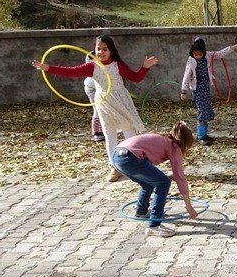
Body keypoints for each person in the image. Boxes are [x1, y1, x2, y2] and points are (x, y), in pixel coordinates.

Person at [33, 35, 157, 180]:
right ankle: (115, 167)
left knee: (129, 132)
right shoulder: (92, 66)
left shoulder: (117, 65)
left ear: (111, 50)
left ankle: (137, 165)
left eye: (105, 49)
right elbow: (71, 72)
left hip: (122, 101)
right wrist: (47, 68)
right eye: (98, 49)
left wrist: (144, 68)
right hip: (104, 103)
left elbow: (135, 78)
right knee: (110, 135)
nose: (101, 52)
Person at [111, 121, 197, 237]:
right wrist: (189, 206)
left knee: (148, 183)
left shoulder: (160, 138)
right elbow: (179, 176)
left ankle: (141, 211)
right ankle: (154, 225)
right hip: (130, 159)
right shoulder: (174, 146)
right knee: (164, 183)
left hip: (116, 157)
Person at [181, 37, 237, 145]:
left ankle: (204, 134)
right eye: (196, 54)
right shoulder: (191, 61)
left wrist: (233, 48)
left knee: (206, 110)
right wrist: (183, 90)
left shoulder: (208, 56)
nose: (198, 56)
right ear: (192, 53)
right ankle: (200, 136)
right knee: (202, 110)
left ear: (204, 52)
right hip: (198, 89)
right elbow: (186, 75)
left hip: (205, 88)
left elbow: (220, 53)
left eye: (200, 54)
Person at [83, 53, 105, 142]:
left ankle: (102, 131)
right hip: (92, 88)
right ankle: (96, 133)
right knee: (97, 109)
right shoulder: (91, 59)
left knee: (102, 110)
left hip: (99, 87)